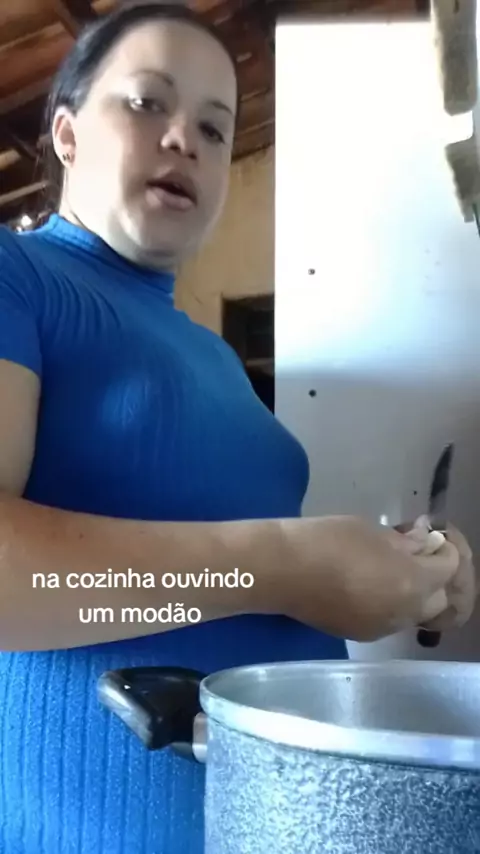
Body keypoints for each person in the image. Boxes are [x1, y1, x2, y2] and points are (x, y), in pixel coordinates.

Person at [0, 3, 475, 852]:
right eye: (147, 102)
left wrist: (400, 568)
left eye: (216, 129)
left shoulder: (213, 354)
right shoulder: (16, 274)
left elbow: (244, 559)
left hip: (280, 819)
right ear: (66, 134)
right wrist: (286, 567)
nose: (184, 139)